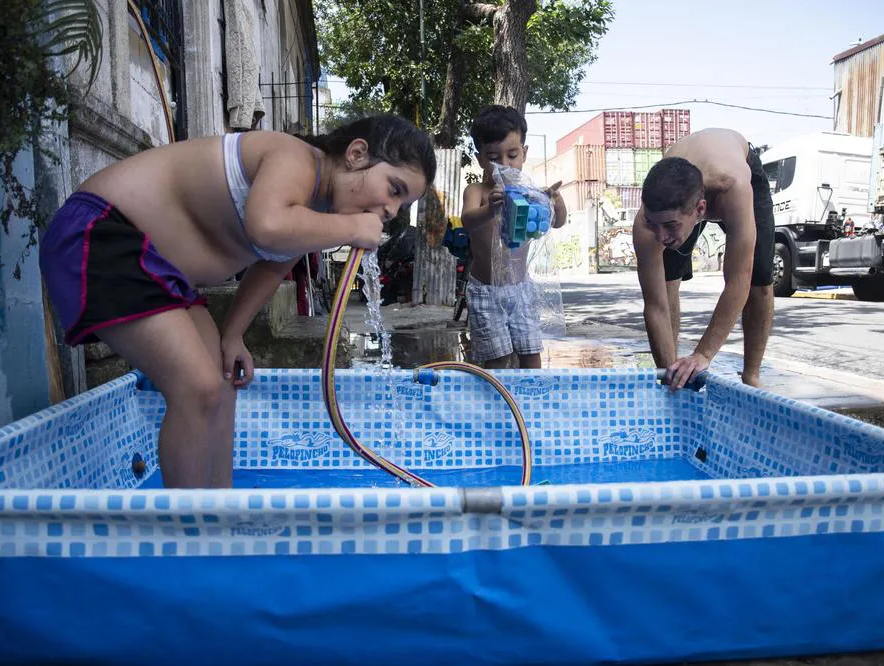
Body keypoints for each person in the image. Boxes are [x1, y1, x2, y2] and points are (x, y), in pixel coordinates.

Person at [39, 114, 435, 488]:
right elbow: (267, 227)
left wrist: (233, 334)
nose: (391, 211)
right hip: (101, 232)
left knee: (222, 381)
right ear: (357, 154)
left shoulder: (316, 209)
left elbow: (272, 267)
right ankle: (188, 529)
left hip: (158, 270)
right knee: (197, 387)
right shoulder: (295, 157)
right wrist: (350, 226)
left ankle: (221, 510)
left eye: (402, 206)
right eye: (394, 189)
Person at [632, 128, 775, 391]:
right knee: (667, 281)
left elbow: (738, 281)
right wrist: (670, 376)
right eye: (654, 224)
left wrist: (702, 355)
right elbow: (654, 305)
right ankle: (672, 374)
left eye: (670, 226)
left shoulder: (732, 188)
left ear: (700, 209)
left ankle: (752, 376)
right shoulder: (645, 224)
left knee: (760, 280)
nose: (661, 237)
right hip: (684, 167)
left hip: (735, 160)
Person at [459, 105, 566, 369]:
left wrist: (555, 201)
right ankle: (497, 393)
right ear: (480, 158)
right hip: (486, 290)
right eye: (494, 157)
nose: (505, 164)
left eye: (513, 155)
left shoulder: (530, 193)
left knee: (530, 353)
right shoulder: (477, 191)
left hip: (521, 288)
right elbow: (468, 220)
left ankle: (530, 394)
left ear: (524, 153)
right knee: (497, 357)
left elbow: (558, 222)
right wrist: (490, 209)